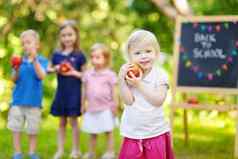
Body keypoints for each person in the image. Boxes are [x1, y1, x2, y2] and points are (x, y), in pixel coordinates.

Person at [118, 29, 175, 159]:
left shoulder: (160, 75)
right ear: (130, 57)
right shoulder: (130, 74)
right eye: (137, 53)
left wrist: (139, 85)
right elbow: (128, 101)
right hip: (133, 131)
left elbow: (158, 100)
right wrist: (121, 80)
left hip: (154, 132)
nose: (143, 56)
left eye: (148, 51)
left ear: (156, 53)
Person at [48, 20, 87, 159]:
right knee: (61, 122)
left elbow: (86, 76)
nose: (67, 38)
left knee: (74, 122)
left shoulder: (79, 55)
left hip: (74, 94)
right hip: (61, 93)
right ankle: (60, 150)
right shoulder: (57, 55)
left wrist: (72, 72)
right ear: (60, 37)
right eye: (64, 35)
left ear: (76, 35)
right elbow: (48, 69)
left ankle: (75, 150)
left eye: (70, 34)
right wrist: (55, 68)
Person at [8, 29, 48, 159]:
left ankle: (32, 152)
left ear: (37, 44)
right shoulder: (19, 61)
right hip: (18, 101)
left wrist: (34, 60)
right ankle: (17, 152)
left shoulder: (41, 60)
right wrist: (16, 69)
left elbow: (41, 76)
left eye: (29, 42)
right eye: (23, 43)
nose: (26, 46)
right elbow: (14, 79)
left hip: (34, 102)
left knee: (32, 129)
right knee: (16, 128)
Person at [81, 43, 118, 159]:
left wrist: (115, 105)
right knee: (92, 132)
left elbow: (114, 92)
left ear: (105, 59)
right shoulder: (88, 74)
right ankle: (91, 152)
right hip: (92, 107)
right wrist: (82, 104)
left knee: (108, 131)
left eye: (97, 57)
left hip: (106, 107)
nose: (94, 60)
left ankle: (110, 152)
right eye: (92, 57)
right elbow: (84, 90)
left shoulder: (110, 75)